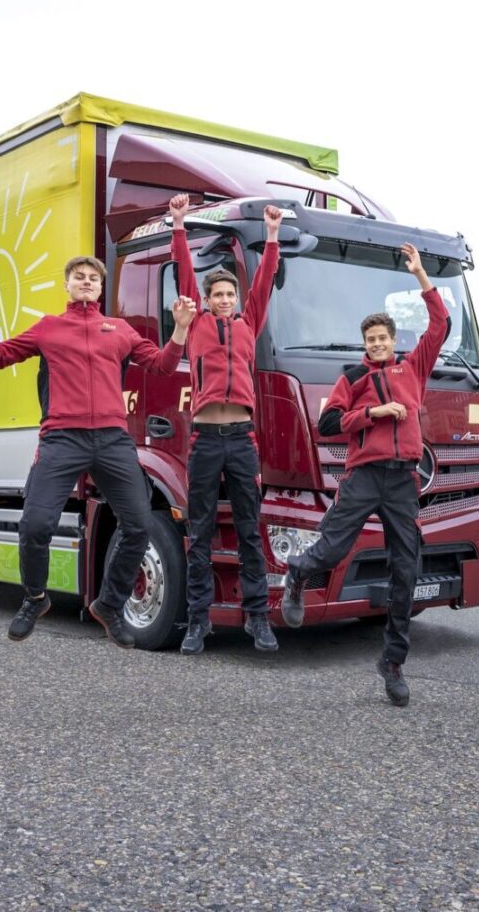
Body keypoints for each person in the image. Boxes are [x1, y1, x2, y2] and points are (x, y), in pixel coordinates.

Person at [0, 256, 197, 648]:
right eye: (79, 277)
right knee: (35, 527)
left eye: (93, 279)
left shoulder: (120, 331)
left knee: (139, 525)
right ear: (67, 285)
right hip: (61, 439)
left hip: (111, 440)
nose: (86, 283)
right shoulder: (49, 329)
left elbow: (161, 366)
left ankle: (108, 604)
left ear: (101, 289)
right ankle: (35, 599)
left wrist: (181, 330)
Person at [279, 243, 449, 707]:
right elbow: (329, 423)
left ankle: (392, 663)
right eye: (370, 339)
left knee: (405, 571)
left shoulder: (414, 367)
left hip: (401, 481)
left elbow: (441, 326)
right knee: (331, 548)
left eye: (382, 338)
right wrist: (374, 411)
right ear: (365, 344)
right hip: (362, 477)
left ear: (393, 340)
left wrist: (421, 277)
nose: (376, 344)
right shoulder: (351, 377)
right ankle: (296, 575)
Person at [165, 193, 284, 654]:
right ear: (207, 301)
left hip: (241, 440)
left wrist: (271, 235)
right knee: (200, 531)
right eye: (217, 295)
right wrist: (179, 224)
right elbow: (183, 271)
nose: (224, 300)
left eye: (230, 294)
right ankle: (198, 622)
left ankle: (258, 619)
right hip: (205, 440)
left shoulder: (249, 322)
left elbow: (266, 282)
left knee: (251, 532)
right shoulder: (195, 325)